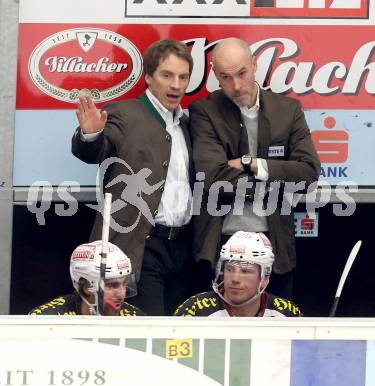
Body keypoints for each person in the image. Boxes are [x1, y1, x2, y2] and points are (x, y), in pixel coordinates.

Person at [189, 37, 321, 299]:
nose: (236, 86)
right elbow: (213, 179)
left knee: (277, 327)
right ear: (215, 75)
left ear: (254, 64)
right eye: (226, 77)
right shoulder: (204, 111)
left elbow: (308, 172)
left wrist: (253, 164)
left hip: (275, 243)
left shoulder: (288, 109)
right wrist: (277, 176)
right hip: (221, 241)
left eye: (242, 73)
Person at [72, 39, 194, 315]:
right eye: (167, 75)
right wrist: (90, 135)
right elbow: (96, 151)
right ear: (149, 77)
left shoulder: (187, 124)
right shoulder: (124, 114)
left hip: (183, 248)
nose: (176, 84)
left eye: (183, 77)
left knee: (179, 335)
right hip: (140, 246)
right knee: (149, 330)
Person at [174, 231, 301, 317]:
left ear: (265, 278)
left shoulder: (287, 312)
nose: (235, 279)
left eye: (245, 271)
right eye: (229, 269)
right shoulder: (194, 309)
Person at [30, 241, 145, 316]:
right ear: (86, 287)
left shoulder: (136, 318)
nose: (121, 294)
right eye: (112, 285)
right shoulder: (45, 319)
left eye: (124, 284)